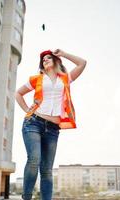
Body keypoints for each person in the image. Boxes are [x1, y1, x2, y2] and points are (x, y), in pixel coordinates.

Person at [15, 49, 87, 200]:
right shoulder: (36, 79)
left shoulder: (66, 78)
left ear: (56, 61)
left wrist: (64, 54)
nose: (45, 60)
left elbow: (82, 63)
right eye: (43, 59)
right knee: (34, 159)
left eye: (48, 58)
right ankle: (26, 197)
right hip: (33, 123)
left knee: (47, 170)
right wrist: (27, 109)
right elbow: (18, 93)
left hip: (53, 129)